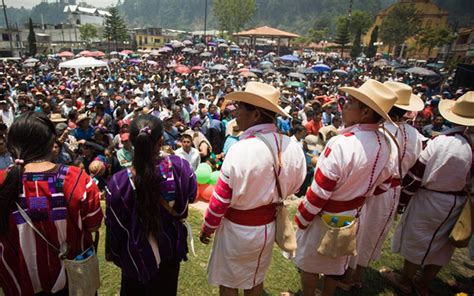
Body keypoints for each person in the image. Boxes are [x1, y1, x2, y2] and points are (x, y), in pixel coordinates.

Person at [199, 82, 306, 296]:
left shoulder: (241, 149)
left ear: (255, 115)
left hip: (236, 230)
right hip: (267, 228)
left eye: (239, 107)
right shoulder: (292, 146)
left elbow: (220, 200)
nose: (234, 112)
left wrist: (208, 228)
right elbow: (298, 183)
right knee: (255, 278)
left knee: (229, 282)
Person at [294, 79, 398, 296]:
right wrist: (359, 195)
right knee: (336, 262)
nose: (344, 106)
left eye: (350, 103)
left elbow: (320, 189)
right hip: (352, 215)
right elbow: (385, 183)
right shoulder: (385, 143)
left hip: (325, 214)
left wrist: (303, 218)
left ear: (366, 112)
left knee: (310, 262)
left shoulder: (343, 143)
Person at [0, 112, 103, 295]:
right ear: (51, 142)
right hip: (73, 282)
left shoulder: (3, 181)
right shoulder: (76, 179)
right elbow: (93, 225)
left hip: (22, 284)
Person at [383, 91, 473, 295]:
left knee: (418, 238)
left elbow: (416, 175)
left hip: (430, 198)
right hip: (459, 201)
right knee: (443, 245)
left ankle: (405, 279)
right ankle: (424, 283)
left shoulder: (442, 142)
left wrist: (402, 201)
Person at [341, 82, 425, 290]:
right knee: (372, 233)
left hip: (374, 189)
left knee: (358, 231)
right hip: (392, 190)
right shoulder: (414, 135)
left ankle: (347, 275)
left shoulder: (379, 132)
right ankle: (356, 275)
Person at [106, 114, 197, 295]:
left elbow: (114, 225)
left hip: (133, 255)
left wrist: (116, 255)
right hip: (168, 250)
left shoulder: (118, 182)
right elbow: (192, 196)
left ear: (131, 141)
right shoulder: (180, 168)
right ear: (161, 140)